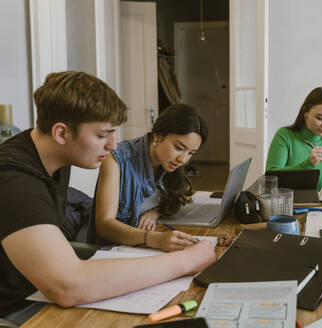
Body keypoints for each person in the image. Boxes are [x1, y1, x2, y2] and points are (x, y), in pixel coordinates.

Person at [0, 72, 215, 325]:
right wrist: (186, 260)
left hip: (38, 291)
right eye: (103, 135)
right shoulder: (17, 182)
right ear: (61, 133)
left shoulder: (53, 160)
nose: (113, 145)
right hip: (19, 309)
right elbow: (68, 286)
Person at [93, 104, 207, 251]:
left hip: (145, 246)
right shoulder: (116, 159)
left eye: (191, 153)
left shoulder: (169, 162)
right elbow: (104, 226)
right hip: (114, 251)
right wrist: (155, 239)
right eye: (179, 148)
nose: (183, 160)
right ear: (157, 136)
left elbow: (174, 199)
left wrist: (154, 212)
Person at [266, 87, 322, 201]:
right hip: (281, 206)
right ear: (305, 112)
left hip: (314, 210)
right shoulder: (285, 136)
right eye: (320, 118)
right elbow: (271, 178)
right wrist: (308, 164)